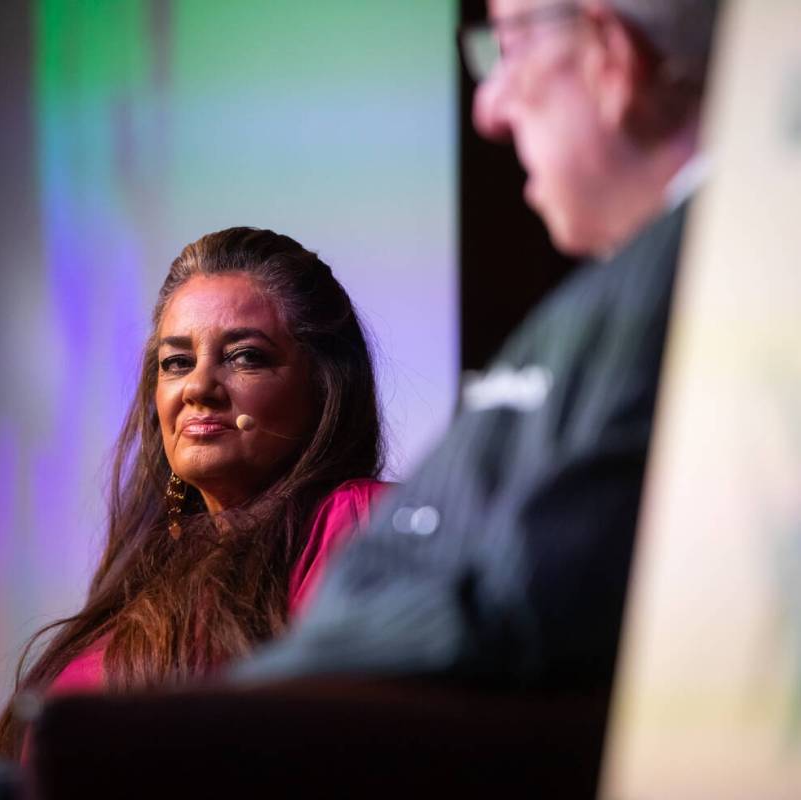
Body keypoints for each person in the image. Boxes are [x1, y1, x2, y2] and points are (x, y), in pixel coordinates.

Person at [232, 0, 722, 689]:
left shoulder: (708, 279)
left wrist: (172, 740)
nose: (488, 108)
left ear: (610, 57)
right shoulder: (622, 293)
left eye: (510, 49)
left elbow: (514, 605)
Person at [0, 227, 388, 759]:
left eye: (245, 356)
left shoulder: (356, 520)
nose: (198, 387)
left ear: (324, 385)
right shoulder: (145, 569)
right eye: (177, 362)